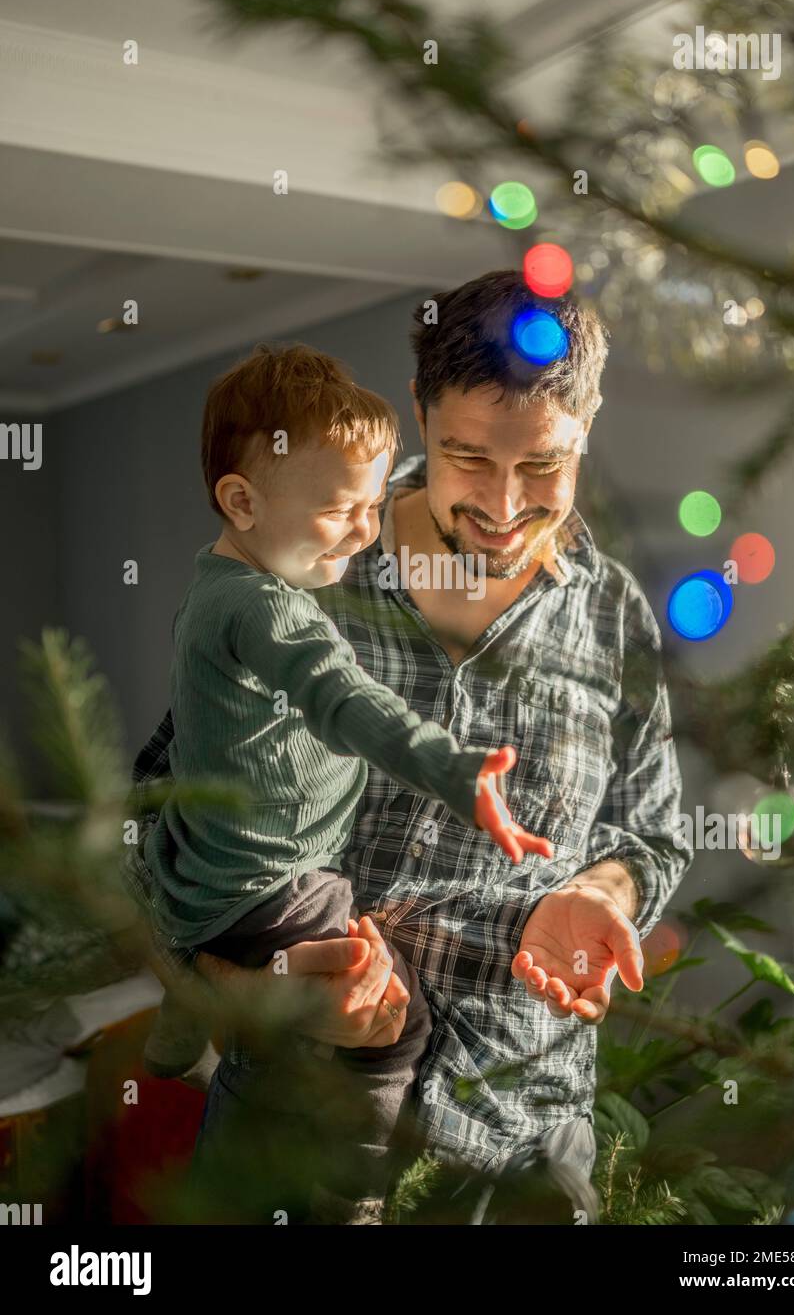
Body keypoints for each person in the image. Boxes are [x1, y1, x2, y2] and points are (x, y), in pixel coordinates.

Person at [130, 269, 693, 1224]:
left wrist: (602, 893)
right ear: (421, 416)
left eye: (544, 465)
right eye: (467, 458)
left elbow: (655, 835)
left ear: (585, 430)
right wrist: (239, 985)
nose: (505, 506)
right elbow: (156, 822)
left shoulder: (616, 620)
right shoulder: (301, 565)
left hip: (521, 1151)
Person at [129, 341, 551, 1223]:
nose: (364, 531)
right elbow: (343, 698)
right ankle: (354, 1193)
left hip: (218, 878)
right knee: (395, 1029)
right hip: (276, 892)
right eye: (339, 510)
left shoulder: (215, 589)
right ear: (241, 501)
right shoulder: (273, 607)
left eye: (372, 504)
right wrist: (452, 766)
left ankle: (176, 1022)